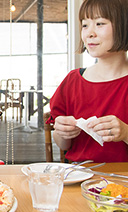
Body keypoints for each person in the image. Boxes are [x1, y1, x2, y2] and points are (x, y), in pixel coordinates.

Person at [47, 0, 128, 162]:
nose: (89, 33)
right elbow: (63, 145)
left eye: (100, 23)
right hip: (80, 176)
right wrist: (62, 133)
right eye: (85, 25)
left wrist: (125, 132)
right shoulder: (72, 81)